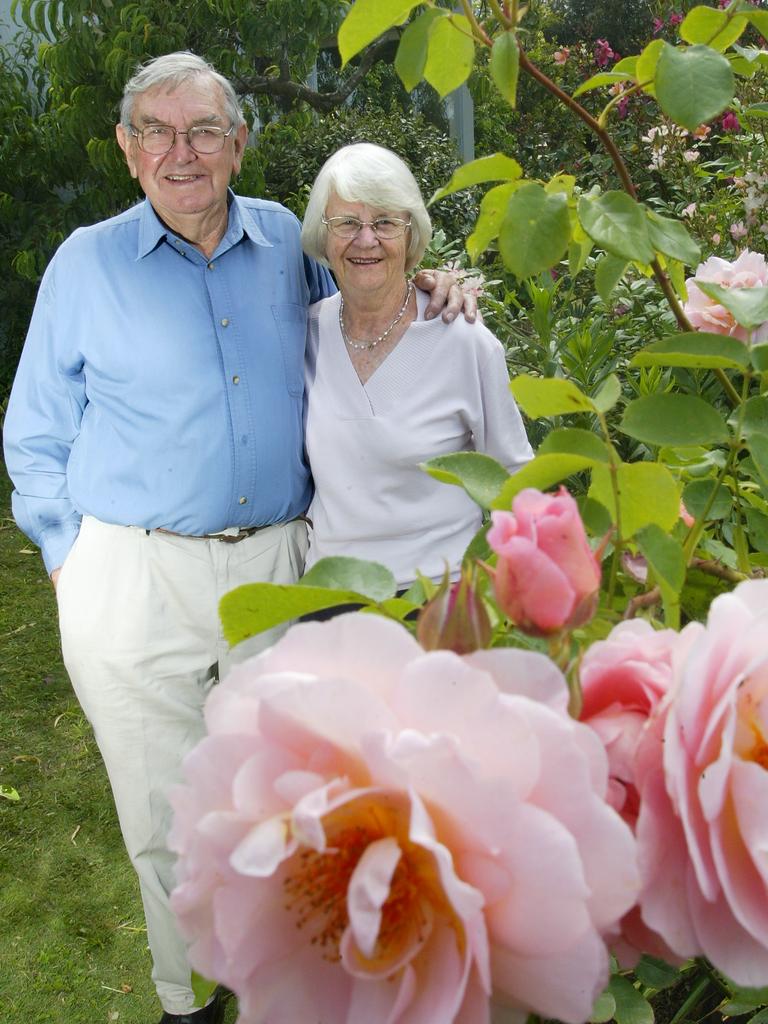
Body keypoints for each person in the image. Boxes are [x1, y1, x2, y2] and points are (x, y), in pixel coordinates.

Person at [2, 53, 469, 1024]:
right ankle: (189, 1001)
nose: (183, 152)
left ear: (238, 143)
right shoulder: (86, 264)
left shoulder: (282, 245)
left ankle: (296, 986)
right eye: (159, 132)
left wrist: (434, 283)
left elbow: (365, 301)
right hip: (131, 572)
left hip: (278, 563)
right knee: (166, 807)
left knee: (298, 788)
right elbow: (34, 431)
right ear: (130, 151)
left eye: (204, 129)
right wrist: (68, 558)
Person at [300, 143, 533, 592]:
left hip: (437, 600)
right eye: (346, 222)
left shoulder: (464, 342)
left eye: (385, 222)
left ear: (411, 235)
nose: (365, 240)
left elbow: (516, 481)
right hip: (328, 598)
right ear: (323, 236)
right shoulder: (304, 333)